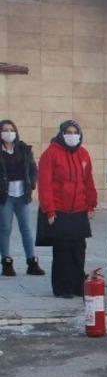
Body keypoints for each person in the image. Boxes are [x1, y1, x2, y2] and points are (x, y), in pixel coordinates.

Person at [36, 120, 98, 298]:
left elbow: (88, 182)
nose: (72, 135)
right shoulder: (51, 153)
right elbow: (45, 184)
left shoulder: (84, 154)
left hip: (78, 210)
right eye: (68, 132)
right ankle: (62, 287)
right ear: (62, 134)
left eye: (75, 132)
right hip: (60, 210)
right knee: (62, 250)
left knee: (78, 249)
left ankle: (78, 285)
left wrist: (91, 204)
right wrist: (49, 210)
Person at [0, 119, 43, 277]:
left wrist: (31, 184)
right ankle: (6, 262)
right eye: (4, 130)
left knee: (27, 229)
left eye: (11, 129)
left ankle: (32, 262)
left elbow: (33, 168)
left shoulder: (23, 149)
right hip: (5, 196)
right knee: (4, 229)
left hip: (22, 195)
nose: (8, 133)